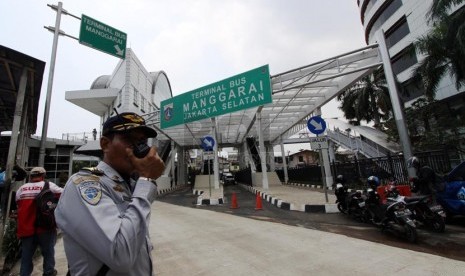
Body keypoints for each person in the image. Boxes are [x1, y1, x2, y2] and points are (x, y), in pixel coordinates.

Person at [55, 112, 165, 276]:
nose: (139, 149)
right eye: (129, 140)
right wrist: (146, 181)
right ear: (105, 144)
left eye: (142, 142)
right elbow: (121, 255)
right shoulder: (85, 185)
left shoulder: (132, 185)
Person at [15, 167, 63, 276]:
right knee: (48, 253)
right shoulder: (49, 186)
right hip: (45, 228)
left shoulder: (22, 189)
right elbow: (64, 195)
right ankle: (49, 272)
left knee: (26, 256)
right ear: (43, 176)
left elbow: (18, 205)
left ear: (31, 176)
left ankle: (24, 274)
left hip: (26, 229)